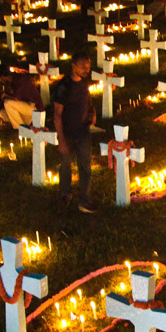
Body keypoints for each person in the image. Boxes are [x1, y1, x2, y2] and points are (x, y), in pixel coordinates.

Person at [51, 52, 96, 213]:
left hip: (83, 131)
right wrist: (61, 140)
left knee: (85, 166)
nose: (86, 70)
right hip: (67, 132)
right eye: (82, 66)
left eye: (88, 66)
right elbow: (57, 114)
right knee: (65, 165)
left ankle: (84, 199)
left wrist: (92, 112)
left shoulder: (84, 83)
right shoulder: (64, 87)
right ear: (73, 66)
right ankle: (65, 192)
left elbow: (87, 100)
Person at [0, 66, 43, 130]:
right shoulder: (13, 79)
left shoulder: (19, 79)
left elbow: (17, 97)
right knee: (2, 113)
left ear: (2, 76)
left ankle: (20, 128)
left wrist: (7, 95)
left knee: (7, 104)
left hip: (34, 107)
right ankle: (23, 123)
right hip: (25, 106)